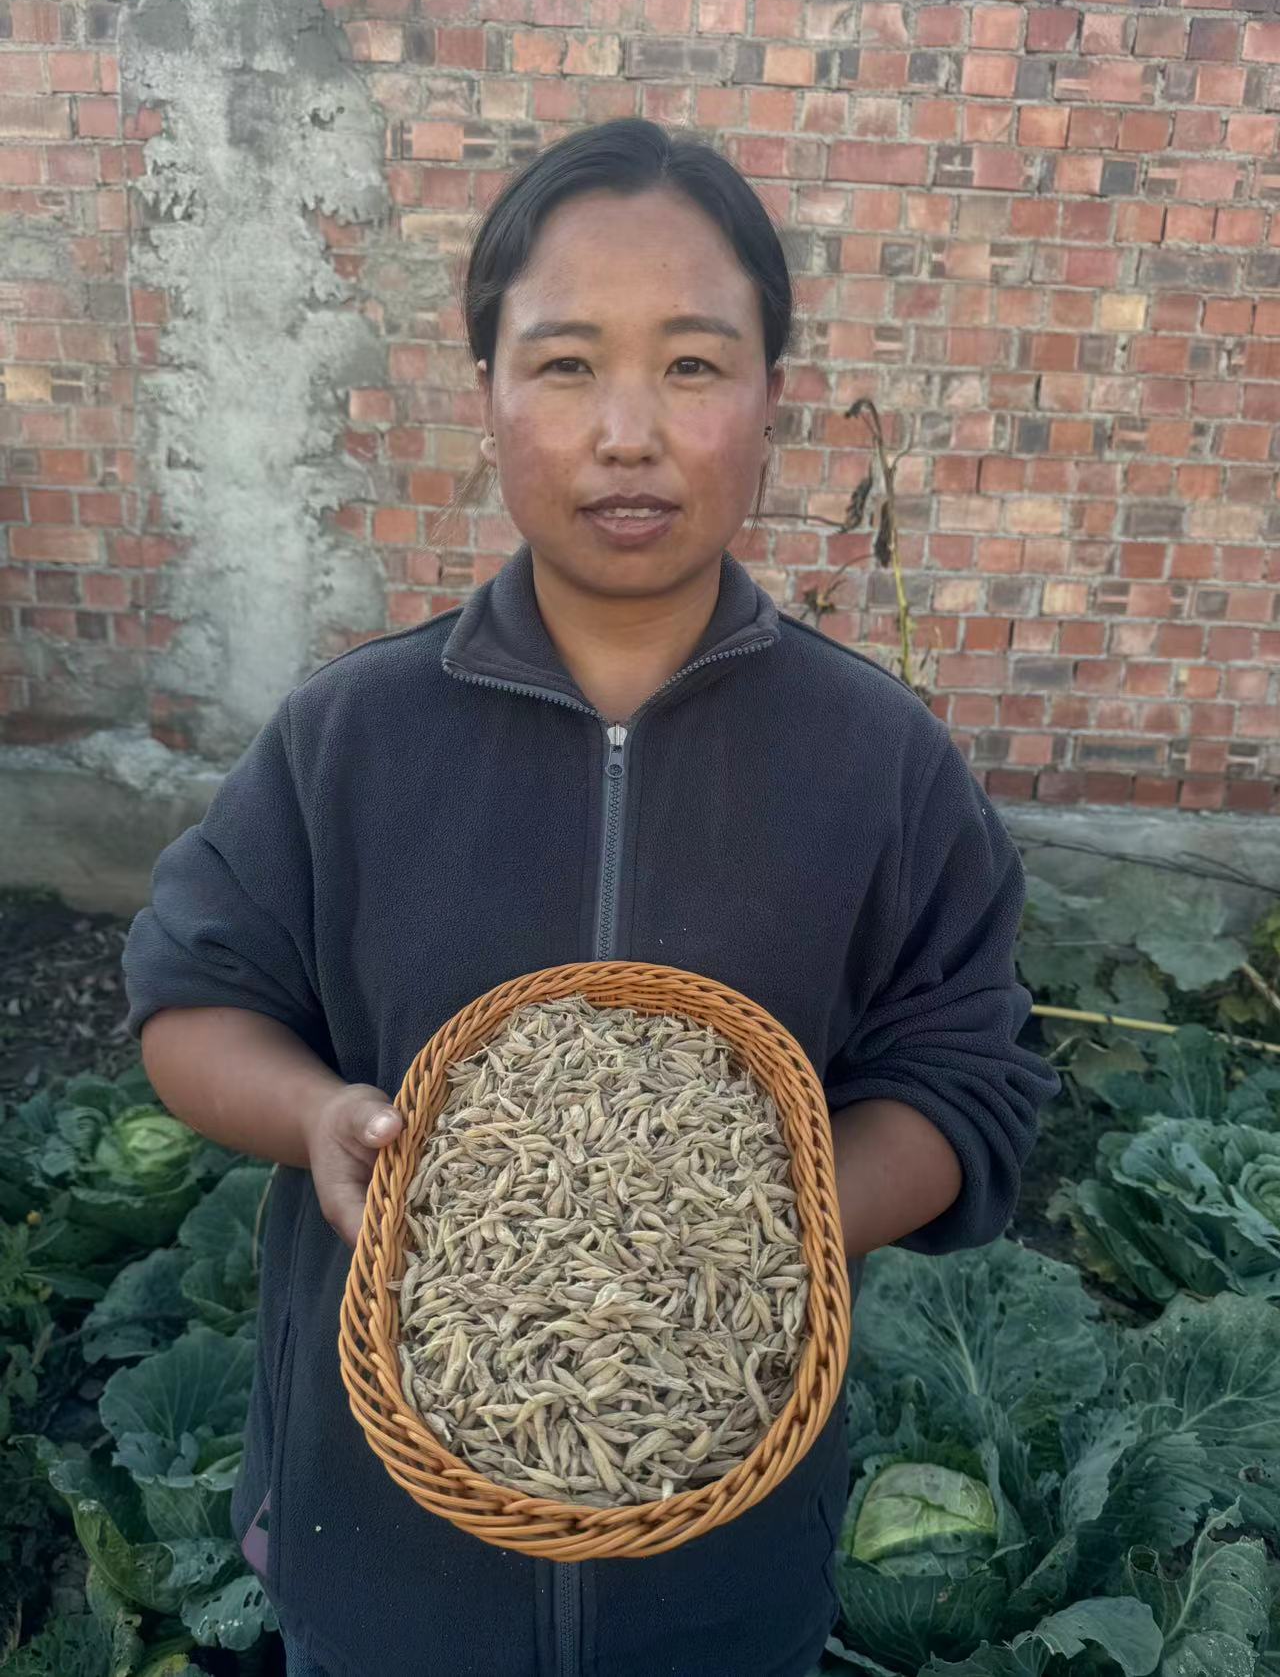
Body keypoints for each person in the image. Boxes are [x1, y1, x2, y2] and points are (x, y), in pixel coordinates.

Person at [123, 116, 1062, 1677]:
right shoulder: (351, 736)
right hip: (385, 1547)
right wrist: (314, 1118)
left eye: (694, 366)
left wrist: (770, 1224)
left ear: (775, 399)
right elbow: (191, 1004)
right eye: (563, 366)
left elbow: (970, 1076)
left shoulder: (879, 762)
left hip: (719, 1555)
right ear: (486, 394)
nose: (628, 429)